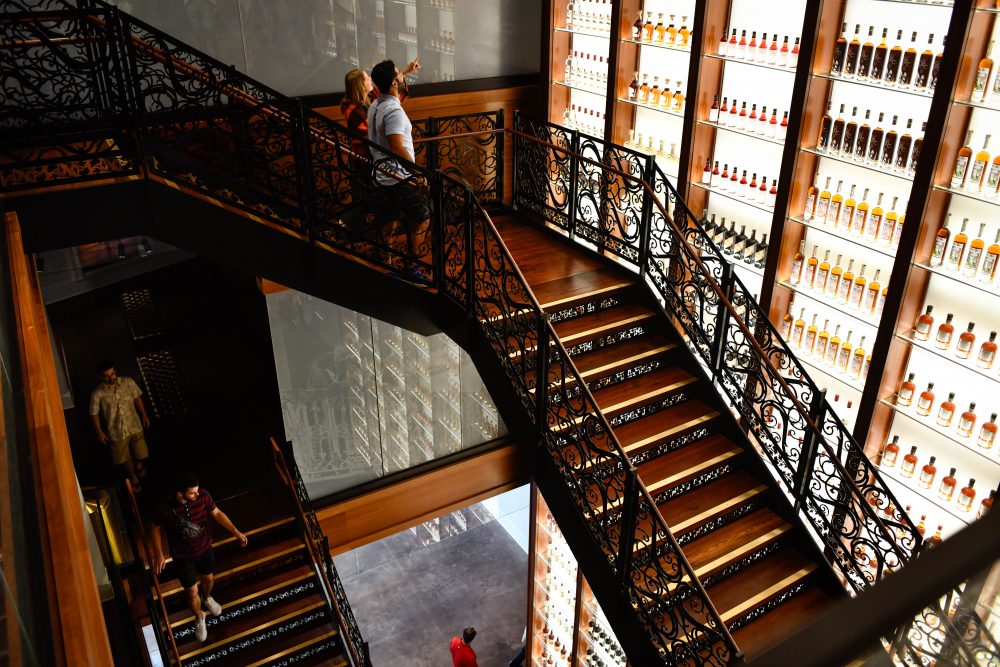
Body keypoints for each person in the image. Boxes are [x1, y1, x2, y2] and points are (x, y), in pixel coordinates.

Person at [151, 472, 248, 643]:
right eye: (192, 492)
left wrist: (235, 532)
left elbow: (217, 513)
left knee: (209, 579)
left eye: (197, 491)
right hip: (182, 556)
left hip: (204, 548)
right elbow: (155, 527)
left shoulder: (203, 496)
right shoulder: (164, 508)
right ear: (180, 494)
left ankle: (207, 597)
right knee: (191, 591)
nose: (198, 494)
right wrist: (159, 553)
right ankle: (199, 616)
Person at [368, 58, 432, 284]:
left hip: (381, 176)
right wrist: (417, 173)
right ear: (394, 83)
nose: (403, 77)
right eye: (400, 75)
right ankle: (412, 269)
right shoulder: (393, 111)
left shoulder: (375, 104)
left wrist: (405, 70)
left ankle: (387, 266)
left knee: (391, 220)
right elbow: (397, 146)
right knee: (422, 218)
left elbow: (390, 84)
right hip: (397, 178)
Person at [89, 360, 152, 490]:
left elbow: (137, 399)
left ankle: (139, 465)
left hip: (134, 425)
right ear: (101, 377)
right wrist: (99, 432)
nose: (110, 377)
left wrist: (144, 415)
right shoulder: (97, 393)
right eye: (106, 376)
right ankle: (132, 475)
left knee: (140, 451)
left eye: (112, 374)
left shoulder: (128, 382)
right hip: (116, 430)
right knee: (124, 456)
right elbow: (93, 413)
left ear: (115, 372)